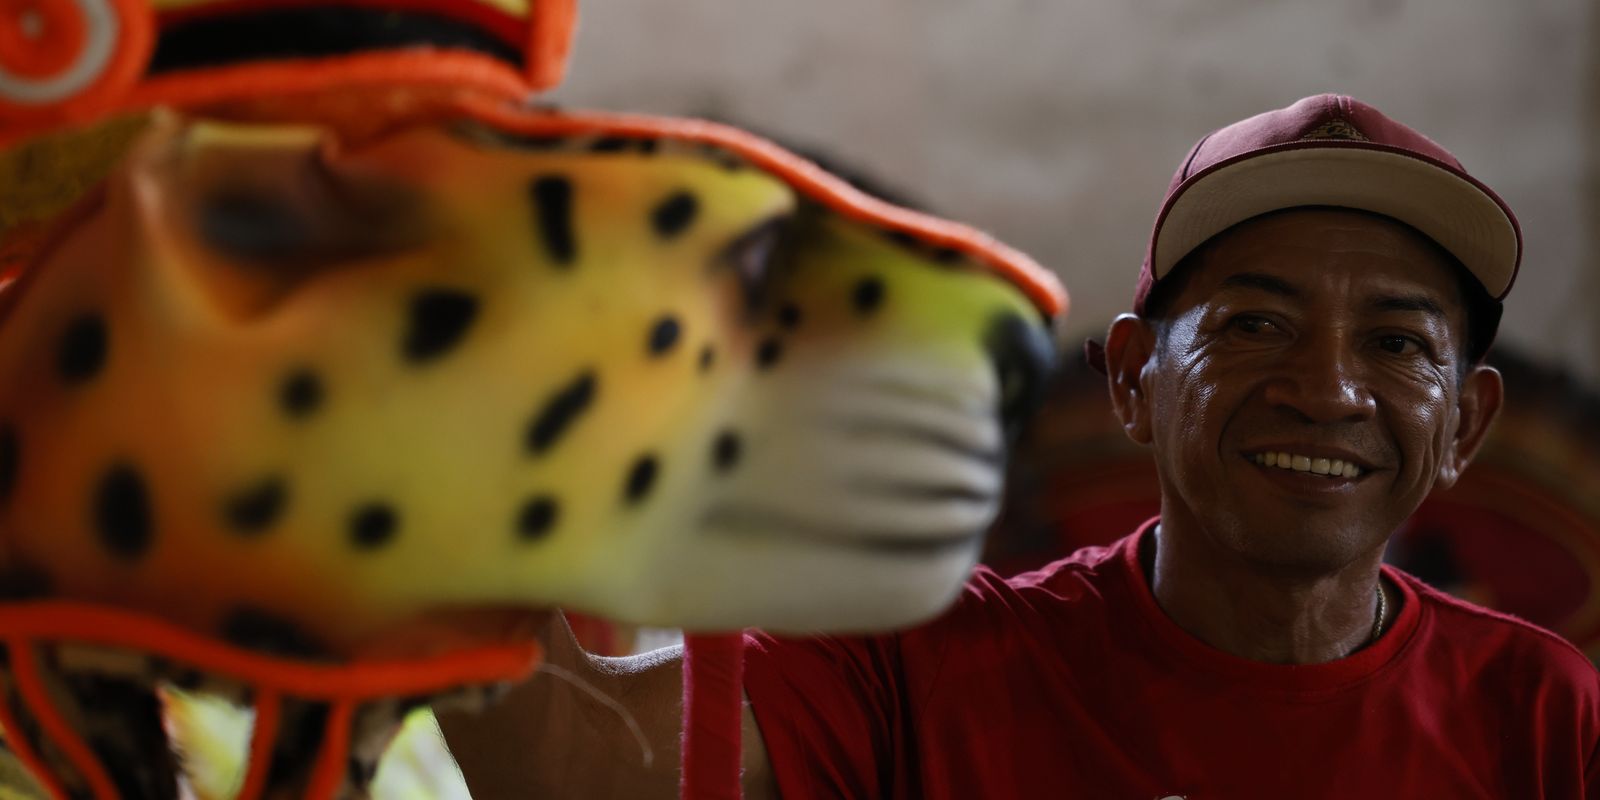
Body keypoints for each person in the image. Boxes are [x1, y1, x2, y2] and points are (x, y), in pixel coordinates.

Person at [438, 94, 1600, 798]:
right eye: (1257, 323)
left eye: (1396, 341)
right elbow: (574, 774)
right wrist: (437, 462)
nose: (1328, 387)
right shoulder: (923, 665)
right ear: (1134, 377)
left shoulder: (1544, 715)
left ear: (1465, 423)